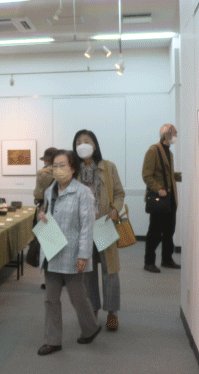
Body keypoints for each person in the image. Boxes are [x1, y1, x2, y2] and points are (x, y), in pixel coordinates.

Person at [36, 149, 101, 356]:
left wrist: (83, 255)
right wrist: (42, 216)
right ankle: (52, 340)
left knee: (77, 297)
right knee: (51, 299)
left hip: (73, 253)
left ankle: (90, 328)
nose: (57, 169)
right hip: (52, 249)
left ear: (72, 168)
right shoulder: (50, 191)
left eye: (62, 165)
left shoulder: (83, 192)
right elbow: (47, 213)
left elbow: (87, 227)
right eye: (54, 166)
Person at [73, 130, 125, 331]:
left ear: (94, 145)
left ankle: (112, 312)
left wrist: (115, 209)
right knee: (88, 271)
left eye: (86, 141)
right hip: (83, 227)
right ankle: (92, 309)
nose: (82, 145)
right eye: (78, 142)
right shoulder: (73, 170)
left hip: (104, 224)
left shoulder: (108, 167)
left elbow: (119, 193)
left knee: (110, 271)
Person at [142, 124, 181, 272]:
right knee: (155, 232)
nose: (176, 136)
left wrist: (180, 176)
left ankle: (167, 259)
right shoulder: (153, 150)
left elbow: (167, 174)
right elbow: (147, 175)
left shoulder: (169, 153)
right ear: (166, 135)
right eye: (174, 133)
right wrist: (158, 189)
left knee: (169, 231)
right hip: (159, 200)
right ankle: (149, 262)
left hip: (171, 199)